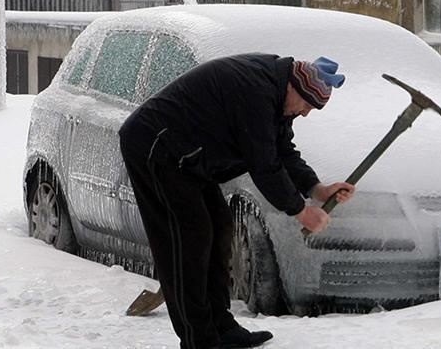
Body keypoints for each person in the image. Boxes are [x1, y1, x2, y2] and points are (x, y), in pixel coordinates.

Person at [119, 53, 354, 349]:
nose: (306, 113)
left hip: (188, 158)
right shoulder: (256, 91)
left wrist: (317, 189)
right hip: (154, 146)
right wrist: (299, 211)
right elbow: (264, 164)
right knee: (190, 237)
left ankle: (221, 326)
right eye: (307, 105)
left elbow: (282, 150)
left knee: (219, 227)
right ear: (294, 88)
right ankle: (199, 339)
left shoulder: (279, 94)